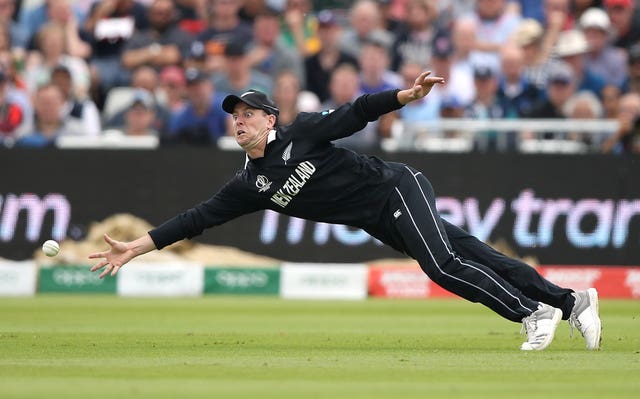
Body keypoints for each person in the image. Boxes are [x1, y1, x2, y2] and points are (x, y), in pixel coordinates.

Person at [89, 70, 602, 352]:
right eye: (235, 117)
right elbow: (196, 219)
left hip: (395, 188)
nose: (239, 122)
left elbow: (358, 112)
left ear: (271, 119)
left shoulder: (303, 132)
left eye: (249, 114)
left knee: (442, 265)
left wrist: (405, 95)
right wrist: (137, 246)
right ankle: (573, 301)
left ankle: (532, 313)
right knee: (475, 254)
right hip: (379, 220)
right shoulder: (250, 184)